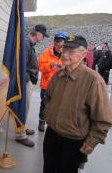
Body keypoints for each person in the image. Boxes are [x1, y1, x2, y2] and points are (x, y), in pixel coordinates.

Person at [43, 35, 112, 173]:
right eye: (64, 49)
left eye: (71, 51)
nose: (65, 54)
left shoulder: (93, 80)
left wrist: (92, 141)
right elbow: (48, 98)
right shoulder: (58, 76)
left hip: (74, 142)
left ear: (84, 54)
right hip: (51, 135)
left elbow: (103, 118)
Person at [15, 24, 49, 147]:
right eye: (43, 35)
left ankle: (23, 128)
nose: (43, 38)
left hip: (27, 80)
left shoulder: (29, 44)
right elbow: (21, 65)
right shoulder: (25, 43)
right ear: (38, 33)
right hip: (24, 82)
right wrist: (26, 80)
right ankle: (20, 135)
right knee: (23, 107)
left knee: (26, 107)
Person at [37, 32, 68, 132]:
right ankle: (42, 121)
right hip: (47, 85)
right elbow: (40, 67)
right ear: (54, 42)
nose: (60, 45)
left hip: (61, 85)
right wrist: (51, 65)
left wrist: (64, 67)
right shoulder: (46, 53)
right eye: (58, 42)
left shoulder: (67, 54)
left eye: (62, 43)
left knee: (59, 105)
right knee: (45, 104)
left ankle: (53, 123)